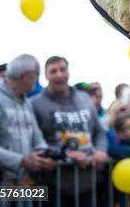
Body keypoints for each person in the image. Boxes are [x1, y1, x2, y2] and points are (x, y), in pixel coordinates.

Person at [31, 56, 108, 206]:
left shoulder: (84, 98)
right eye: (53, 71)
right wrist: (66, 155)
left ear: (68, 72)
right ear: (46, 76)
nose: (59, 74)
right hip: (55, 184)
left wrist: (101, 150)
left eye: (62, 69)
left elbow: (100, 132)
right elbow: (34, 141)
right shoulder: (36, 104)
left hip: (89, 181)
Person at [0, 55, 56, 187]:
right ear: (26, 75)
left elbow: (38, 139)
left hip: (22, 182)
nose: (38, 79)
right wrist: (22, 161)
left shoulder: (26, 103)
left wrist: (44, 156)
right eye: (37, 74)